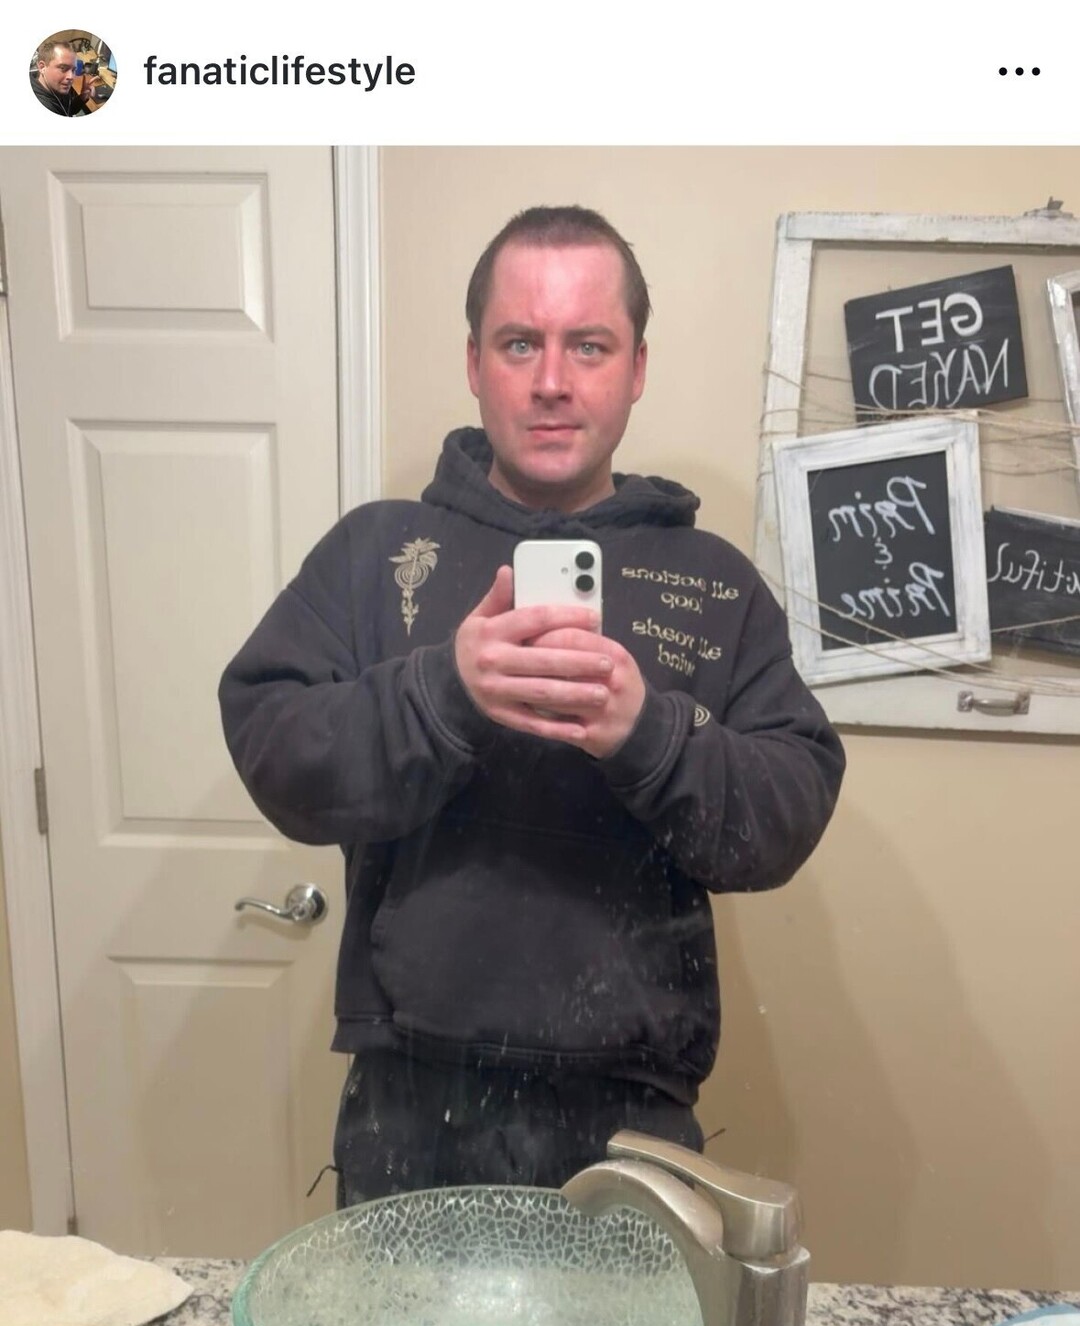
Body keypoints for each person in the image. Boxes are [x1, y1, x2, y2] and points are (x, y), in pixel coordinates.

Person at [219, 205, 846, 1206]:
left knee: (628, 1323)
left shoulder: (716, 581)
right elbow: (274, 747)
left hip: (634, 1110)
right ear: (474, 363)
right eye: (520, 343)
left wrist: (652, 735)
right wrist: (442, 691)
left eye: (589, 345)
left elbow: (787, 812)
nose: (553, 380)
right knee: (399, 1324)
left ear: (637, 367)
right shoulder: (379, 552)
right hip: (407, 1099)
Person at [31, 41, 92, 116]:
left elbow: (66, 110)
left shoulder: (56, 86)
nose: (71, 77)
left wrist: (82, 97)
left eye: (73, 70)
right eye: (63, 68)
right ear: (42, 67)